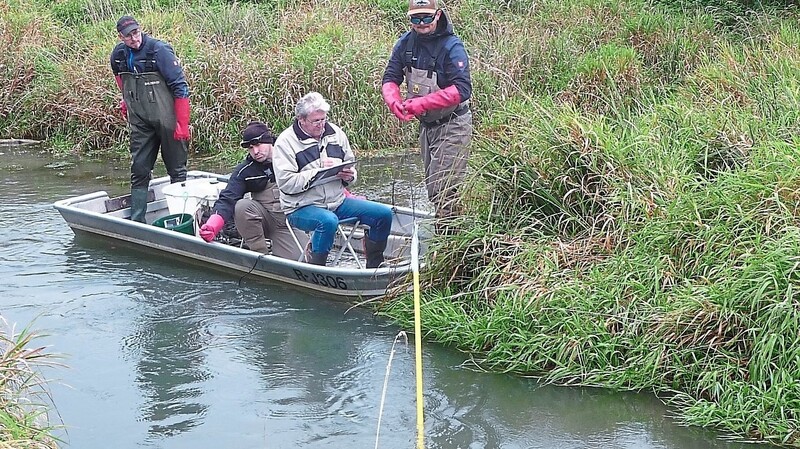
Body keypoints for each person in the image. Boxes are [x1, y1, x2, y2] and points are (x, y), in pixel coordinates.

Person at [272, 92, 393, 268]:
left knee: (383, 214)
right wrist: (318, 171)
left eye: (323, 119)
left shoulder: (336, 133)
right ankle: (317, 270)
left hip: (337, 201)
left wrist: (349, 176)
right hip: (300, 207)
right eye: (316, 121)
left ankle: (375, 267)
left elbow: (351, 167)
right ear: (301, 120)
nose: (321, 124)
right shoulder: (285, 142)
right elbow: (286, 183)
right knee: (327, 221)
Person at [381, 0, 472, 222]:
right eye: (416, 18)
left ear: (438, 15)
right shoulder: (405, 44)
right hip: (427, 127)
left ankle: (451, 242)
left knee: (444, 188)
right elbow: (390, 77)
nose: (421, 23)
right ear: (409, 18)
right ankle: (448, 236)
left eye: (427, 18)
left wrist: (420, 104)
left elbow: (462, 89)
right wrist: (394, 101)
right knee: (433, 186)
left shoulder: (452, 47)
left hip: (453, 123)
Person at [110, 15, 192, 223]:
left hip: (169, 120)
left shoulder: (159, 51)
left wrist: (182, 124)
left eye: (136, 33)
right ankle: (138, 221)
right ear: (121, 37)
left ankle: (182, 219)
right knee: (139, 168)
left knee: (177, 169)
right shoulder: (118, 56)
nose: (134, 39)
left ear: (140, 30)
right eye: (128, 37)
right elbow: (121, 79)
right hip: (140, 122)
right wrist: (125, 101)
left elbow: (180, 88)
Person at [198, 121, 303, 260]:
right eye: (250, 148)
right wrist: (212, 225)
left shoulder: (292, 154)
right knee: (242, 206)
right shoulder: (246, 171)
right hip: (266, 220)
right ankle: (260, 255)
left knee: (304, 261)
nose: (255, 152)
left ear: (269, 140)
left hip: (292, 221)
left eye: (258, 145)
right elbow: (227, 198)